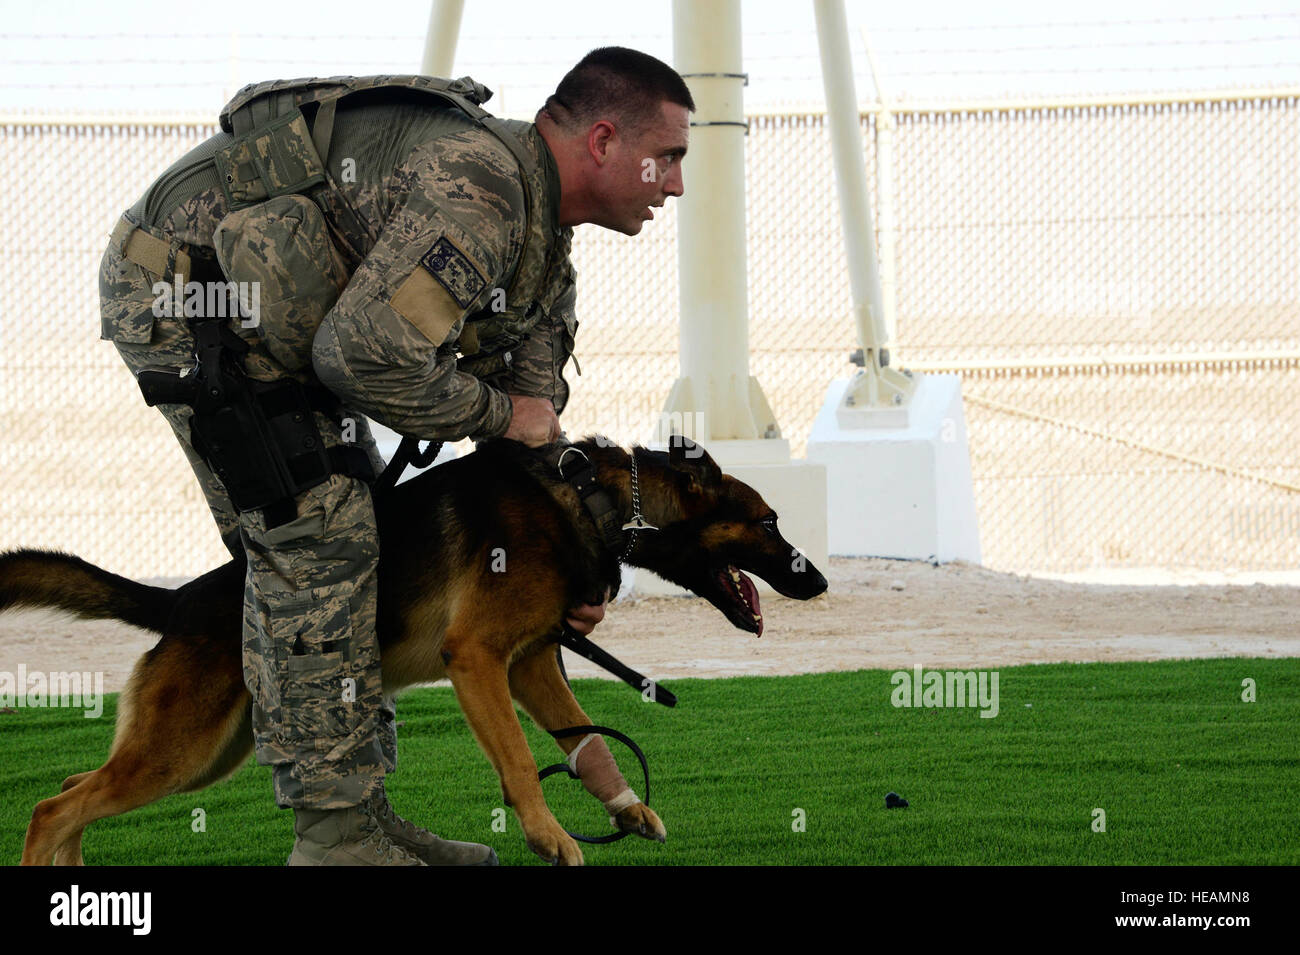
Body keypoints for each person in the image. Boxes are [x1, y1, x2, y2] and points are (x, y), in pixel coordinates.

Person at [98, 46, 693, 865]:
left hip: (285, 329)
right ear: (602, 141)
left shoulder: (543, 247)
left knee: (375, 548)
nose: (679, 185)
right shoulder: (482, 192)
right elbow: (364, 356)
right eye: (669, 158)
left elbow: (533, 428)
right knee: (322, 547)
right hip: (186, 300)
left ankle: (364, 817)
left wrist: (565, 574)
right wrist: (493, 412)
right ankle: (336, 841)